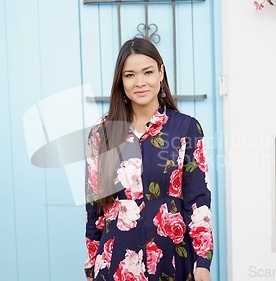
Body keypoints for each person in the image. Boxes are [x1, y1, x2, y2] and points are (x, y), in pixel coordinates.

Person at [84, 37, 213, 281]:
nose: (140, 82)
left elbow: (198, 201)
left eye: (148, 72)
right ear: (121, 82)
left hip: (172, 257)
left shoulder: (186, 128)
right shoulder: (102, 133)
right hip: (116, 261)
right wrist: (92, 266)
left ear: (161, 73)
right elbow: (94, 209)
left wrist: (203, 262)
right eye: (130, 75)